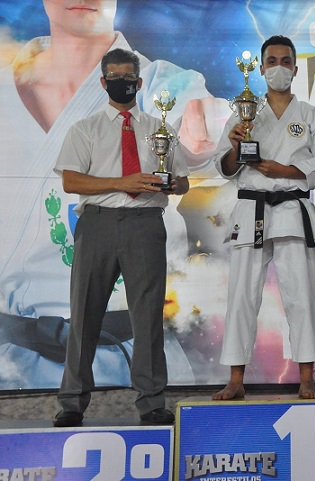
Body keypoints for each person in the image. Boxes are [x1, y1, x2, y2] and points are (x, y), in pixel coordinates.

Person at [0, 0, 226, 389]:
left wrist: (203, 135)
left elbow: (198, 123)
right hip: (13, 364)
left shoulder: (160, 83)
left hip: (133, 347)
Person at [52, 48, 188, 427]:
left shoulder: (160, 128)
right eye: (113, 77)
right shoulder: (86, 128)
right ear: (102, 82)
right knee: (84, 314)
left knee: (147, 317)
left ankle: (151, 401)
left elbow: (183, 181)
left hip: (145, 223)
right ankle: (72, 403)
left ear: (139, 83)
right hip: (97, 224)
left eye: (128, 77)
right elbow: (71, 181)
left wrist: (174, 184)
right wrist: (122, 182)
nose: (121, 83)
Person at [210, 35, 315, 401]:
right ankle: (236, 378)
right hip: (251, 207)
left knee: (301, 295)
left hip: (291, 208)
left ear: (295, 70)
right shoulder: (244, 113)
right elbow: (224, 166)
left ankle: (307, 377)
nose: (278, 67)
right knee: (241, 295)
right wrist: (235, 147)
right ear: (262, 68)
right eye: (272, 61)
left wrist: (287, 169)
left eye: (285, 61)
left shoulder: (311, 116)